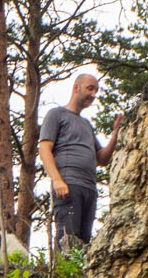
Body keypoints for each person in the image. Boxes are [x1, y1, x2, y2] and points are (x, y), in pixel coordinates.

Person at [37, 73, 123, 251]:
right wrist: (57, 180)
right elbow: (44, 148)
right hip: (68, 185)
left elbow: (102, 159)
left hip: (89, 189)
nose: (93, 94)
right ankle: (63, 277)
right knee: (67, 239)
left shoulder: (86, 124)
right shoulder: (57, 114)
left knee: (83, 244)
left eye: (96, 90)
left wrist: (115, 134)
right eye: (90, 88)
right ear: (76, 87)